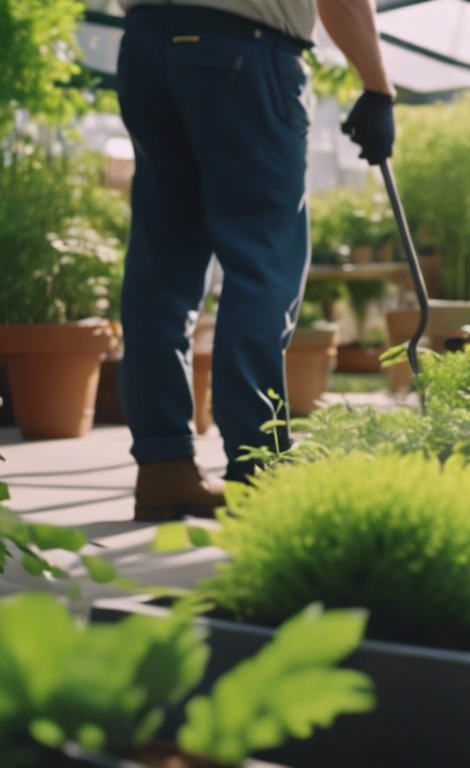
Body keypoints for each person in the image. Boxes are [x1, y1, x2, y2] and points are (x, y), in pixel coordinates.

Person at [115, 0, 395, 520]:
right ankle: (257, 468)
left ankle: (164, 467)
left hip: (145, 47)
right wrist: (378, 88)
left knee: (162, 265)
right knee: (263, 260)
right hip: (242, 54)